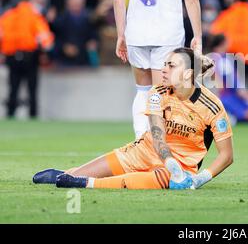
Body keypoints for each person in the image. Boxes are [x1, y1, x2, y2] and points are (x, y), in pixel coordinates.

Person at [33, 48, 233, 190]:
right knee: (70, 177)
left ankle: (88, 183)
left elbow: (227, 155)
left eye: (171, 66)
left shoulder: (211, 106)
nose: (163, 69)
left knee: (160, 178)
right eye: (164, 64)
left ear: (188, 73)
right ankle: (71, 173)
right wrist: (168, 159)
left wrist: (201, 178)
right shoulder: (157, 91)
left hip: (181, 167)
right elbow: (157, 135)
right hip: (144, 151)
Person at [114, 0, 203, 141]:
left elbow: (118, 0)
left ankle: (140, 142)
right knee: (163, 94)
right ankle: (158, 150)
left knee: (142, 91)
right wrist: (198, 34)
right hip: (167, 32)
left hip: (136, 32)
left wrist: (121, 35)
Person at [0, 0, 54, 118]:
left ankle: (10, 113)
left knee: (13, 87)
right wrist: (46, 52)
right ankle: (33, 114)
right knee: (32, 88)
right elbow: (45, 39)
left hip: (12, 56)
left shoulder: (8, 15)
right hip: (30, 56)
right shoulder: (35, 15)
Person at [209, 34, 248, 124]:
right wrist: (243, 93)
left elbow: (233, 80)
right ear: (222, 43)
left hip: (232, 95)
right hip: (226, 96)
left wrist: (245, 93)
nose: (230, 44)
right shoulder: (216, 58)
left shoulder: (225, 58)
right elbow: (222, 81)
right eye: (228, 42)